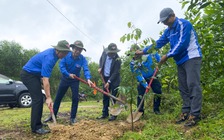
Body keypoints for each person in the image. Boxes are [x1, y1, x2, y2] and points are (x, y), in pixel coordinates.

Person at [136, 7, 202, 127]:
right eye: (163, 21)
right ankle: (186, 112)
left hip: (191, 57)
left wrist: (167, 55)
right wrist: (143, 52)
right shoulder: (168, 31)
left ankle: (195, 114)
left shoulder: (184, 24)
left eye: (166, 20)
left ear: (173, 15)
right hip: (180, 61)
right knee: (183, 87)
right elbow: (158, 43)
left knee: (192, 84)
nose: (164, 23)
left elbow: (182, 43)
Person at [20, 40, 71, 134]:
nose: (66, 55)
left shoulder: (55, 55)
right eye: (65, 53)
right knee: (38, 99)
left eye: (67, 53)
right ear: (58, 50)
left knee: (39, 99)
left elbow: (44, 77)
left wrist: (47, 95)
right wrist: (48, 97)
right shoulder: (50, 58)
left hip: (35, 75)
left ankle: (37, 123)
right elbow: (45, 80)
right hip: (28, 75)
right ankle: (36, 127)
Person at [44, 40, 93, 125]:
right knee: (58, 97)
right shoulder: (66, 56)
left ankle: (73, 118)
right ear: (72, 48)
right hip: (65, 79)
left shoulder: (82, 59)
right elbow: (61, 67)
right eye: (76, 49)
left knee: (75, 98)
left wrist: (88, 79)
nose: (77, 51)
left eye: (80, 50)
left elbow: (86, 69)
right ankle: (52, 116)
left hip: (75, 81)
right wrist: (68, 74)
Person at [129, 44, 162, 115]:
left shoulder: (147, 54)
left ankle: (156, 109)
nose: (135, 56)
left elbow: (154, 51)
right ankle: (140, 111)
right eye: (133, 54)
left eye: (136, 54)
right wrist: (145, 84)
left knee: (158, 91)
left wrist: (159, 63)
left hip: (153, 76)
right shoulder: (132, 63)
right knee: (140, 94)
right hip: (142, 78)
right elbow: (137, 74)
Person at [97, 43, 121, 121]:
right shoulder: (104, 53)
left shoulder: (118, 59)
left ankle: (113, 114)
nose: (111, 54)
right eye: (110, 53)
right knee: (105, 96)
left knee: (113, 97)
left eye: (113, 53)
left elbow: (116, 72)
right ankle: (105, 113)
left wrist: (109, 82)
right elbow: (101, 60)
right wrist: (100, 67)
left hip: (114, 79)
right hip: (105, 77)